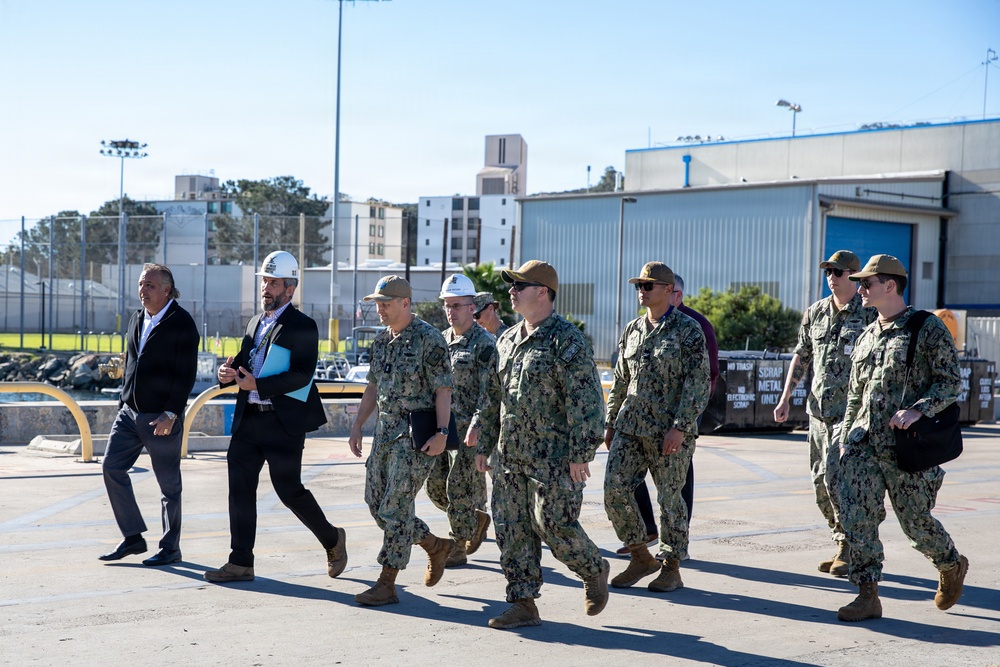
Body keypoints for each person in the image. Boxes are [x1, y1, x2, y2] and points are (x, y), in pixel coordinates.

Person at [476, 260, 609, 629]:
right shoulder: (506, 339)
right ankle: (523, 602)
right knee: (511, 528)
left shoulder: (567, 339)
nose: (512, 291)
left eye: (520, 285)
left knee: (553, 524)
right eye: (512, 285)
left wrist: (582, 453)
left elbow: (587, 401)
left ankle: (593, 568)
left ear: (543, 292)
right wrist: (483, 443)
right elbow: (492, 399)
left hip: (553, 457)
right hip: (509, 456)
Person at [836, 254, 968, 622]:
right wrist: (847, 436)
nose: (860, 289)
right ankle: (867, 594)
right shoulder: (867, 334)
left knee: (915, 523)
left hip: (906, 447)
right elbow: (855, 393)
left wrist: (919, 409)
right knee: (858, 518)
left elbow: (950, 382)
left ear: (889, 285)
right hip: (864, 444)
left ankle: (951, 564)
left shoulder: (926, 327)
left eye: (867, 283)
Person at [204, 251, 347, 584]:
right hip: (248, 420)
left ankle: (332, 539)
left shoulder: (304, 326)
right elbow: (244, 362)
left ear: (290, 287)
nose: (266, 288)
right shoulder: (256, 322)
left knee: (289, 491)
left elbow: (302, 373)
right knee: (239, 491)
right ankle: (240, 563)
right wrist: (226, 373)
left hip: (283, 423)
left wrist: (260, 384)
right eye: (264, 281)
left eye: (273, 282)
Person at [348, 275, 455, 606]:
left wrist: (442, 434)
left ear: (405, 303)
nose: (379, 309)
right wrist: (357, 425)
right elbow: (373, 387)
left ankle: (387, 582)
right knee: (375, 503)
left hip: (415, 439)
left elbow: (443, 390)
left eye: (385, 303)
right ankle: (435, 545)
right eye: (377, 303)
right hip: (385, 434)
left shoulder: (429, 339)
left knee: (395, 507)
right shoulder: (381, 342)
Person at [603, 262, 710, 593]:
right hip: (630, 427)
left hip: (668, 431)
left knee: (670, 500)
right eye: (639, 285)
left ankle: (671, 565)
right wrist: (610, 421)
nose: (642, 290)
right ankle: (639, 555)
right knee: (614, 490)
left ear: (668, 290)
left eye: (648, 286)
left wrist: (680, 426)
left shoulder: (688, 330)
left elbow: (699, 382)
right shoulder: (632, 330)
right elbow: (621, 378)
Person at [773, 250, 876, 577]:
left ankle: (850, 545)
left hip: (851, 415)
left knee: (836, 478)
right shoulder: (815, 312)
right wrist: (785, 396)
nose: (832, 277)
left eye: (839, 272)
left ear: (854, 276)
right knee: (820, 482)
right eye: (828, 271)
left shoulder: (870, 315)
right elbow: (801, 355)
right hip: (818, 412)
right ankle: (841, 540)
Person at [99, 264, 199, 566]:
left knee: (169, 487)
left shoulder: (182, 323)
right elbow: (131, 362)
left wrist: (172, 413)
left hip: (161, 419)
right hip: (129, 414)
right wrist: (123, 401)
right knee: (111, 468)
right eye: (141, 284)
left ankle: (171, 548)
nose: (143, 290)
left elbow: (186, 375)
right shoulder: (136, 318)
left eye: (150, 285)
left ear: (167, 289)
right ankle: (133, 537)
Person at [425, 275, 499, 567]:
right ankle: (474, 519)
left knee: (458, 487)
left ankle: (458, 543)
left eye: (457, 305)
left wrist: (479, 424)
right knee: (435, 487)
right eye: (447, 305)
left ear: (472, 307)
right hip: (443, 427)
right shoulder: (441, 340)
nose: (451, 311)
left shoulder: (485, 344)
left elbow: (491, 391)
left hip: (470, 430)